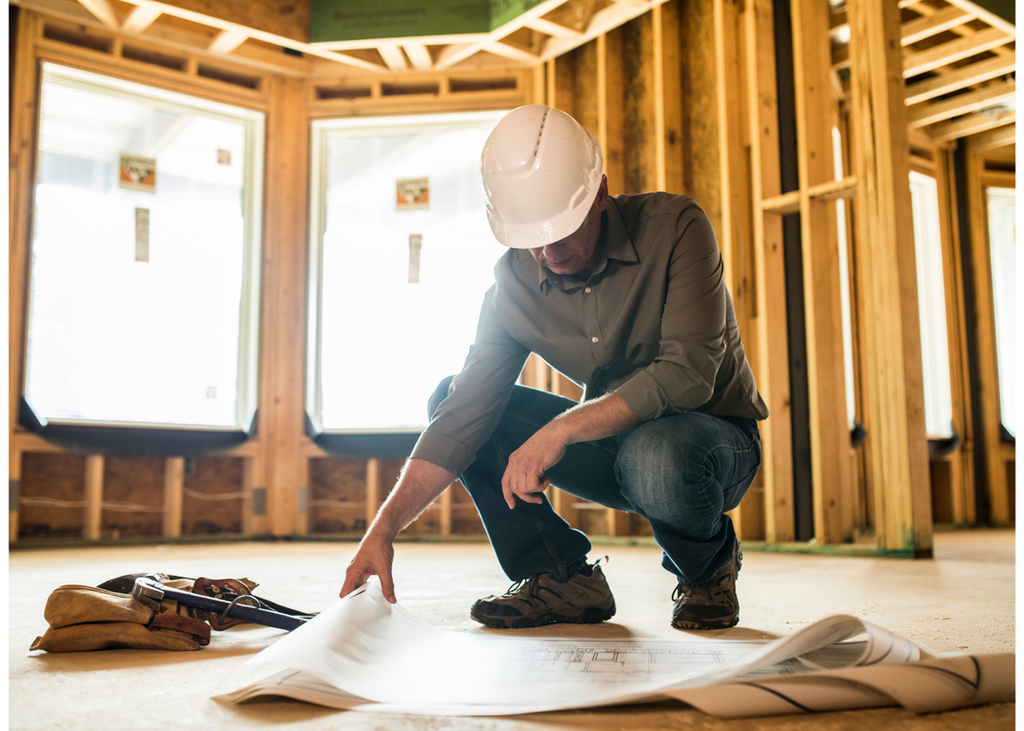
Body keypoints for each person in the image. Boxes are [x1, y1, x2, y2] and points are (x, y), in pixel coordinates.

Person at [341, 105, 768, 631]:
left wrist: (561, 429)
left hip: (712, 443)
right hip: (616, 445)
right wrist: (382, 529)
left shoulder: (676, 227)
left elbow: (691, 371)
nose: (547, 251)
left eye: (562, 230)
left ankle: (709, 569)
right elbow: (461, 418)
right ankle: (560, 577)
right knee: (450, 396)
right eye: (530, 238)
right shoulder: (511, 286)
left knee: (655, 454)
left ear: (601, 193)